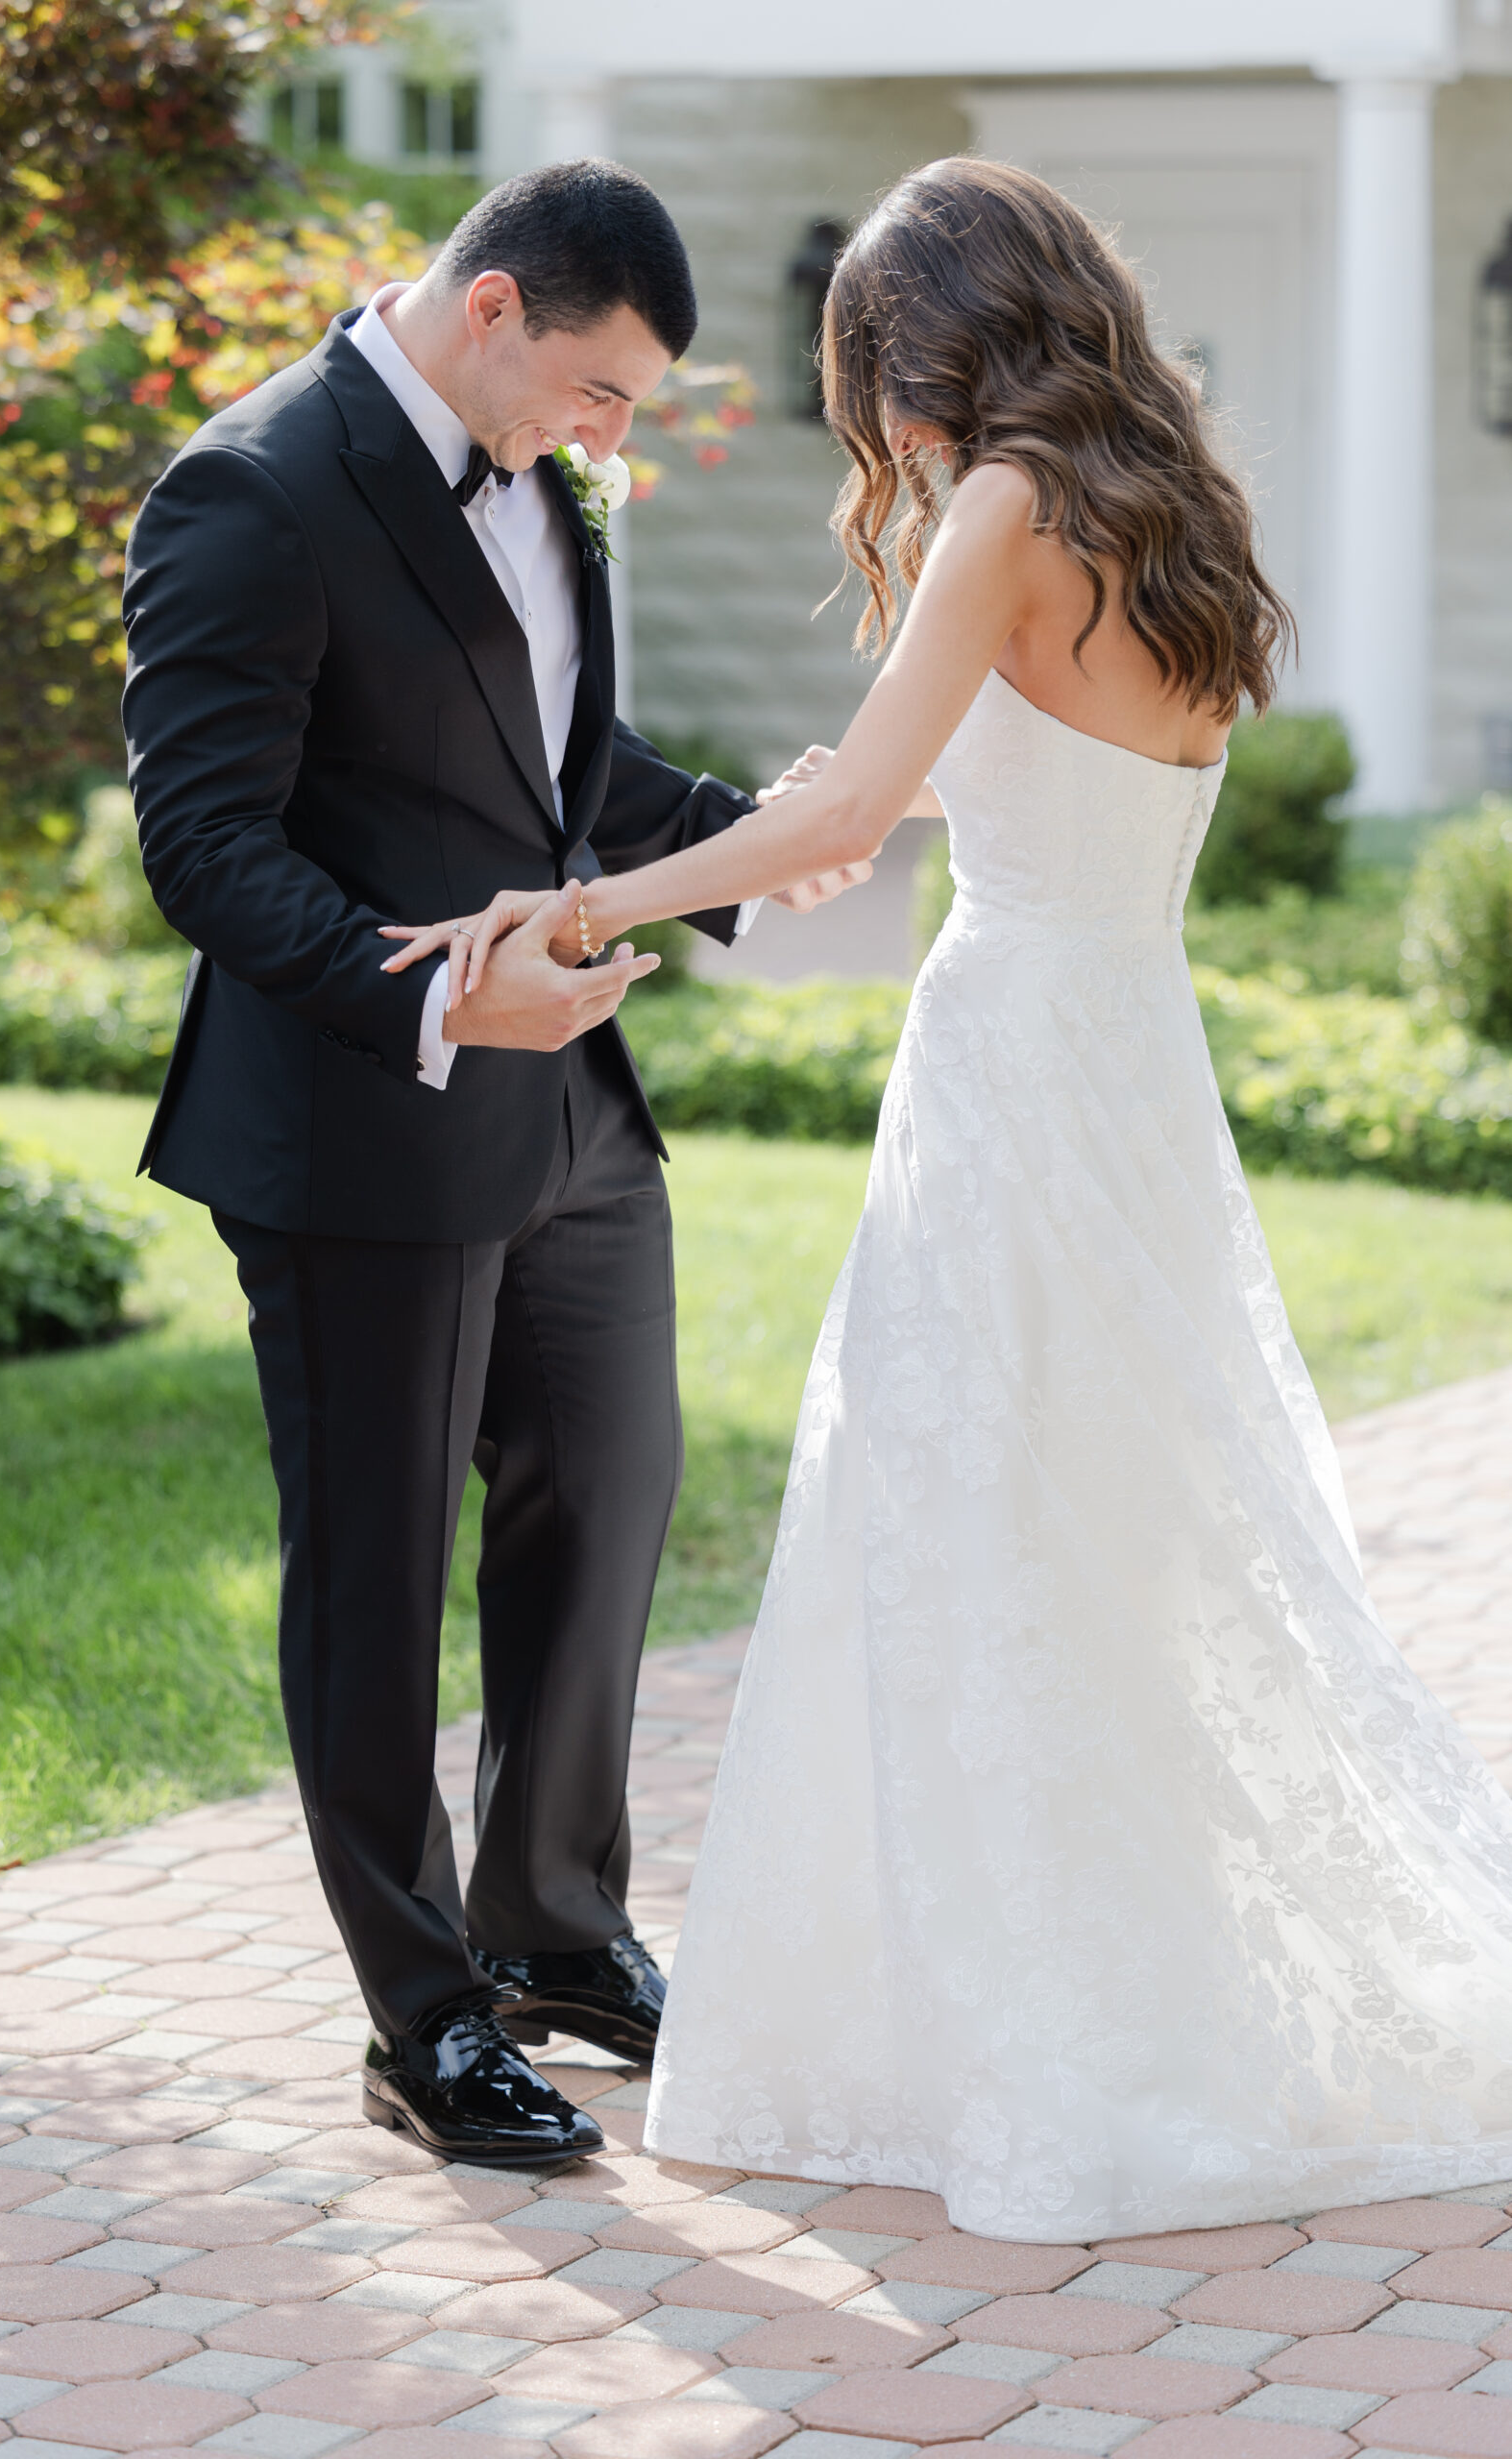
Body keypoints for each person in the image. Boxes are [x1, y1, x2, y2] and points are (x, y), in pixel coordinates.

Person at [412, 158, 1512, 2237]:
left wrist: (575, 898)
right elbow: (940, 788)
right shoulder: (1158, 517)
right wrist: (808, 834)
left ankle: (999, 2023)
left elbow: (845, 797)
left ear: (931, 344)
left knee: (955, 1518)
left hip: (1012, 1068)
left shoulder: (999, 501)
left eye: (876, 384)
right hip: (1125, 1069)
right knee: (1109, 1528)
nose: (883, 431)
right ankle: (1069, 1983)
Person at [121, 158, 866, 2170]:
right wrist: (437, 1004)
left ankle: (551, 1925)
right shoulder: (252, 488)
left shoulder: (537, 467)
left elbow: (548, 765)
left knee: (609, 1488)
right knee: (375, 1572)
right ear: (494, 310)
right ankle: (422, 2011)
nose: (610, 435)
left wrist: (735, 849)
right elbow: (204, 843)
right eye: (602, 391)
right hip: (362, 1119)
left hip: (573, 1116)